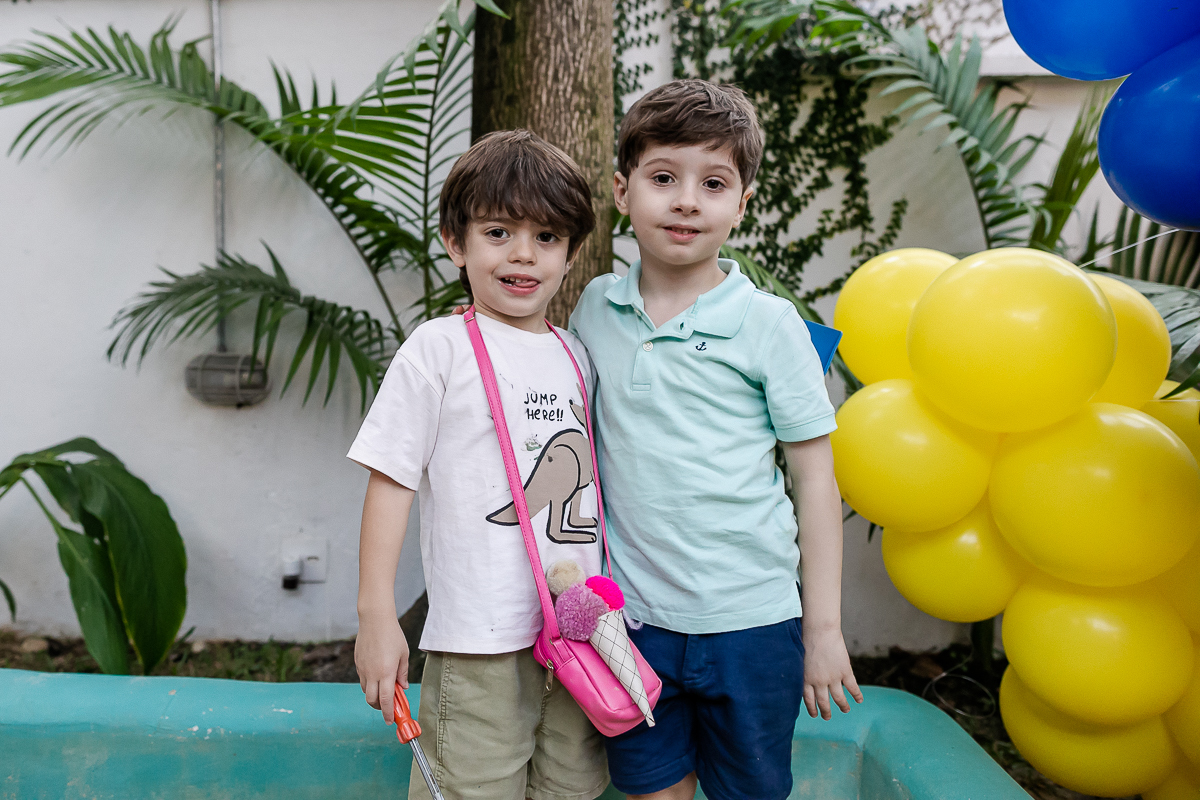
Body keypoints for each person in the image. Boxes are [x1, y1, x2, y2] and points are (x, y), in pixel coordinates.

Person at [568, 79, 863, 800]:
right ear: (622, 189)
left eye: (714, 183)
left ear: (742, 203)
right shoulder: (594, 308)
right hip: (631, 621)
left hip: (753, 623)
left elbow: (816, 483)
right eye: (663, 178)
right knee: (650, 791)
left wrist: (823, 631)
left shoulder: (770, 325)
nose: (687, 200)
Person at [350, 129, 609, 800]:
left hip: (579, 635)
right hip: (479, 640)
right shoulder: (437, 351)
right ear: (454, 241)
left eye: (547, 237)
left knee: (572, 787)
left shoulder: (575, 354)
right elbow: (391, 481)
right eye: (499, 232)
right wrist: (377, 617)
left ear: (572, 251)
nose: (523, 254)